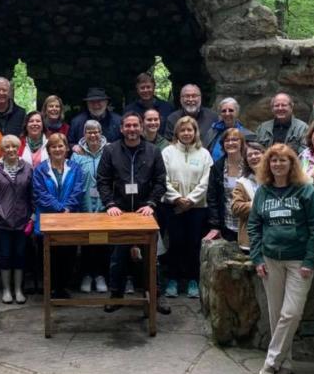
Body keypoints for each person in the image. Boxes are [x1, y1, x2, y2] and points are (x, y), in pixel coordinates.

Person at [247, 145, 314, 374]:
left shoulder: (305, 190)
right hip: (270, 260)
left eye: (283, 160)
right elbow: (254, 226)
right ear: (268, 165)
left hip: (298, 261)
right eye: (274, 161)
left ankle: (271, 361)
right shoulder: (263, 192)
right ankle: (285, 365)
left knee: (291, 313)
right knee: (276, 316)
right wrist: (257, 258)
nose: (278, 164)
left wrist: (310, 260)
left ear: (292, 164)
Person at [96, 112, 169, 313]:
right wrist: (110, 204)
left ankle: (156, 295)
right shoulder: (111, 150)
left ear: (141, 127)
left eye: (135, 125)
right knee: (117, 256)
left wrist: (151, 204)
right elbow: (102, 180)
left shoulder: (153, 151)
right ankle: (116, 294)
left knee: (152, 256)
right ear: (121, 128)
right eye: (127, 126)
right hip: (119, 212)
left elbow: (161, 181)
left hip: (145, 212)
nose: (132, 129)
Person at [160, 116, 213, 299]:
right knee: (175, 242)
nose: (186, 133)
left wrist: (190, 200)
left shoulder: (204, 154)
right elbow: (162, 177)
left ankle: (193, 280)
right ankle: (172, 279)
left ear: (195, 132)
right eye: (182, 130)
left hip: (197, 207)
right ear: (177, 132)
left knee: (194, 243)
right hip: (173, 206)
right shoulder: (167, 152)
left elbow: (206, 180)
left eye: (190, 130)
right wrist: (177, 198)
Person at [31, 132, 86, 300]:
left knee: (68, 255)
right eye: (53, 146)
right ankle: (50, 288)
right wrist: (60, 209)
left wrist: (68, 208)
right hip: (47, 219)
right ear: (48, 149)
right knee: (48, 255)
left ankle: (62, 287)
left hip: (70, 220)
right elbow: (40, 194)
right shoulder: (40, 170)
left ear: (67, 148)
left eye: (60, 146)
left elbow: (78, 190)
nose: (57, 149)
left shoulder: (75, 168)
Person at [0, 135, 34, 304]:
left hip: (22, 220)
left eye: (14, 146)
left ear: (18, 148)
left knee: (20, 255)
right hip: (3, 222)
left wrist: (32, 214)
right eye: (7, 147)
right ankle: (7, 290)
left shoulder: (27, 168)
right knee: (5, 255)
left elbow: (32, 194)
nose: (11, 150)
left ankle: (18, 290)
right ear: (2, 150)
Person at [71, 119, 109, 294]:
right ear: (84, 134)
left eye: (96, 131)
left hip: (104, 204)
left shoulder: (109, 151)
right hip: (83, 204)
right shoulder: (77, 155)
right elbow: (74, 181)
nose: (93, 135)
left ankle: (100, 275)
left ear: (101, 133)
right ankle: (86, 275)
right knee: (86, 241)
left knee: (102, 240)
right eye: (89, 132)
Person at [204, 128, 253, 245]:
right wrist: (215, 226)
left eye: (235, 139)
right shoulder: (217, 167)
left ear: (242, 143)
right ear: (223, 144)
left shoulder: (250, 165)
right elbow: (212, 198)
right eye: (227, 140)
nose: (231, 143)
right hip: (227, 224)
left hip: (249, 222)